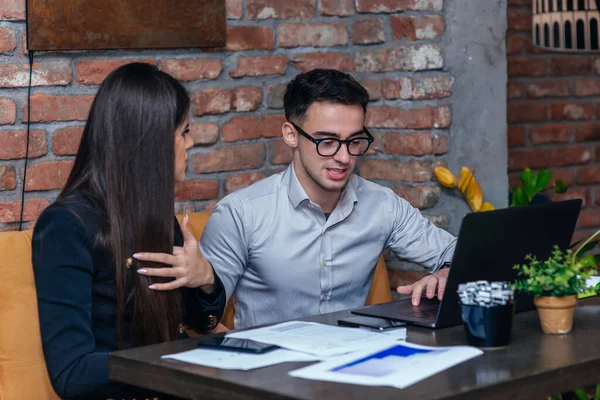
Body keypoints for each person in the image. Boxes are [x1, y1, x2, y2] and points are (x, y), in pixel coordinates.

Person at [199, 69, 457, 330]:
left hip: (357, 361)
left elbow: (460, 253)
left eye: (354, 141)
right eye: (327, 141)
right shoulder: (241, 213)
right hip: (272, 364)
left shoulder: (382, 205)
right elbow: (200, 314)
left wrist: (448, 273)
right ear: (291, 135)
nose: (344, 157)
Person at [32, 63, 225, 400]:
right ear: (150, 141)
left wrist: (204, 277)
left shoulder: (157, 215)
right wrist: (180, 360)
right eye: (184, 132)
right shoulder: (66, 226)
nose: (191, 143)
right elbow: (71, 373)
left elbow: (202, 321)